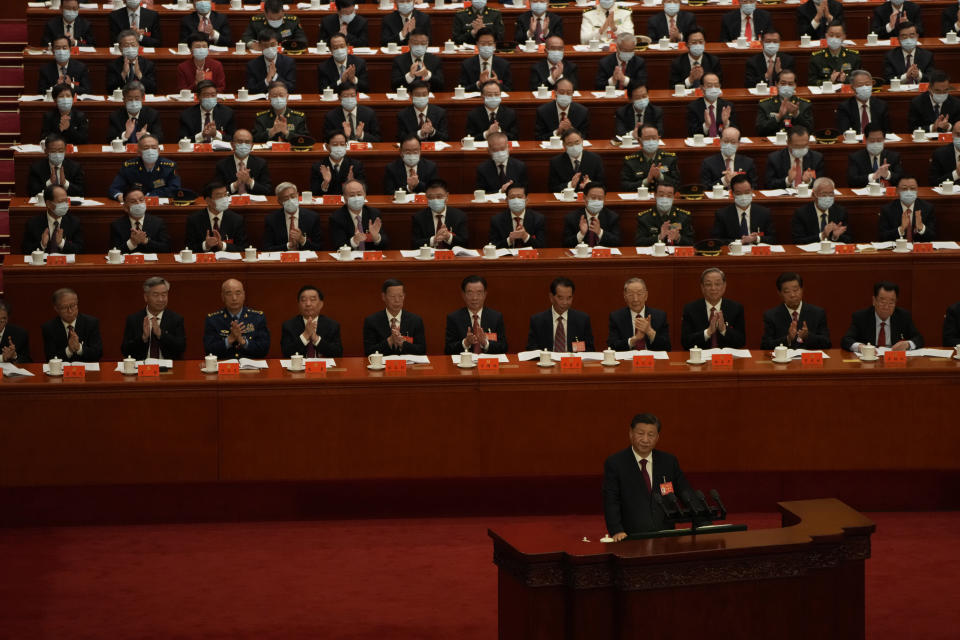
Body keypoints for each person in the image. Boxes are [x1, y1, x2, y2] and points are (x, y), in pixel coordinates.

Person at [603, 413, 695, 539]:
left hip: (666, 537)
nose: (645, 440)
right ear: (631, 433)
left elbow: (686, 493)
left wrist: (704, 522)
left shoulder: (668, 462)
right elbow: (611, 501)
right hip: (632, 538)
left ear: (657, 437)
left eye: (651, 435)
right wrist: (616, 530)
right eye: (640, 433)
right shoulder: (616, 463)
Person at [841, 281, 923, 352]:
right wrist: (861, 347)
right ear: (874, 301)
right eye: (882, 301)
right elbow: (846, 340)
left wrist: (907, 344)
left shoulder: (903, 316)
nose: (886, 307)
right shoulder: (861, 317)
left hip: (894, 363)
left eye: (891, 302)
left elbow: (919, 339)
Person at [120, 277, 187, 360]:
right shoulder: (134, 319)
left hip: (168, 369)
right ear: (146, 297)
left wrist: (160, 334)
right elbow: (125, 351)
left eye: (164, 295)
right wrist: (143, 338)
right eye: (156, 295)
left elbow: (181, 349)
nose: (161, 299)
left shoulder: (176, 319)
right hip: (141, 368)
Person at [760, 272, 831, 350]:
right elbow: (765, 346)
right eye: (787, 291)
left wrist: (808, 336)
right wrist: (788, 339)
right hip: (783, 361)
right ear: (779, 294)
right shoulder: (771, 316)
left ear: (802, 290)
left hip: (809, 360)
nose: (792, 295)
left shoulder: (817, 313)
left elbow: (827, 343)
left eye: (795, 290)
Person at [203, 279, 270, 360]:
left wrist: (243, 342)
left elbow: (264, 350)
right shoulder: (213, 319)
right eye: (229, 293)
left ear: (244, 295)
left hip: (252, 368)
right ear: (222, 297)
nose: (234, 298)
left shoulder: (258, 317)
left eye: (238, 293)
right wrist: (229, 340)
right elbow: (209, 351)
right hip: (223, 369)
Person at [680, 268, 746, 349]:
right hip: (700, 359)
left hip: (726, 359)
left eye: (717, 284)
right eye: (708, 284)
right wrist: (708, 332)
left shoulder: (736, 308)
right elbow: (685, 342)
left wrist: (723, 329)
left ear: (724, 286)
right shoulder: (690, 309)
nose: (713, 288)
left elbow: (741, 341)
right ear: (702, 287)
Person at [444, 275, 508, 355]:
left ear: (485, 295)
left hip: (488, 365)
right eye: (470, 293)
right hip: (464, 365)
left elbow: (503, 347)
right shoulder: (454, 318)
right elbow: (448, 350)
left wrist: (485, 343)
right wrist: (466, 343)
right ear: (463, 295)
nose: (474, 298)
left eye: (479, 293)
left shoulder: (496, 317)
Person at [526, 277, 594, 351]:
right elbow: (531, 349)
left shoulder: (582, 320)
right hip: (548, 361)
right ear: (551, 297)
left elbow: (589, 349)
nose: (565, 302)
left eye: (569, 298)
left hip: (572, 361)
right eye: (560, 298)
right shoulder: (538, 321)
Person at [362, 279, 427, 356]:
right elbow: (368, 352)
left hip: (408, 366)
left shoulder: (415, 320)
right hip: (382, 367)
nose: (397, 300)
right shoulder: (371, 321)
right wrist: (389, 341)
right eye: (392, 296)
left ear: (404, 297)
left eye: (400, 296)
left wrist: (403, 344)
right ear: (383, 297)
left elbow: (422, 350)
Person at [108, 135, 180, 200]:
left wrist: (150, 196)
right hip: (135, 204)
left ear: (158, 151)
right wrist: (119, 196)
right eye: (146, 148)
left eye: (154, 148)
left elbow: (174, 189)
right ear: (139, 152)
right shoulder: (129, 167)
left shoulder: (169, 167)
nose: (150, 151)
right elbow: (114, 189)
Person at [607, 278, 671, 351]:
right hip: (627, 361)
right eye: (630, 295)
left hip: (652, 360)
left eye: (639, 294)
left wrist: (649, 331)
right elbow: (612, 346)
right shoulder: (616, 317)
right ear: (625, 297)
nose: (635, 299)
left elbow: (667, 347)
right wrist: (634, 340)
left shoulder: (660, 316)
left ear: (646, 295)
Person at [711, 174, 776, 245]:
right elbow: (716, 240)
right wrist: (739, 242)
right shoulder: (722, 214)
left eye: (747, 192)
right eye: (738, 193)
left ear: (752, 191)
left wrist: (756, 238)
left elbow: (773, 239)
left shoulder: (764, 212)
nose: (743, 196)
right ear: (732, 194)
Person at [280, 285, 343, 358]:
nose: (308, 304)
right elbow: (286, 353)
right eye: (303, 300)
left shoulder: (332, 325)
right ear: (298, 304)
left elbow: (338, 353)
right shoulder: (289, 326)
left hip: (325, 368)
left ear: (321, 304)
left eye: (312, 300)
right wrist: (305, 335)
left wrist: (316, 339)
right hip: (298, 368)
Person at [42, 287, 103, 362]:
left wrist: (79, 348)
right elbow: (50, 358)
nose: (70, 311)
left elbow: (97, 354)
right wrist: (69, 350)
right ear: (56, 309)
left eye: (73, 305)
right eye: (64, 307)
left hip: (87, 372)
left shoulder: (91, 323)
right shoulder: (49, 328)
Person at [185, 181, 248, 253]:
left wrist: (223, 246)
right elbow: (189, 249)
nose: (224, 199)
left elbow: (243, 249)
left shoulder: (236, 219)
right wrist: (205, 245)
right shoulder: (194, 220)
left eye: (225, 195)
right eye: (219, 196)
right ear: (208, 200)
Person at [21, 185, 83, 254]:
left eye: (66, 201)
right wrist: (42, 245)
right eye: (61, 202)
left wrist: (62, 243)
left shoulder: (74, 222)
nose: (65, 205)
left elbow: (80, 250)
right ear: (49, 204)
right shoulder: (33, 223)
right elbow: (25, 251)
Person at [329, 179, 388, 251]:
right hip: (349, 260)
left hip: (370, 259)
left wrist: (376, 237)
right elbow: (338, 246)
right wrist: (354, 241)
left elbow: (385, 245)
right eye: (352, 195)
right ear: (344, 198)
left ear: (365, 195)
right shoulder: (336, 217)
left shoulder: (374, 213)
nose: (356, 198)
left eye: (359, 194)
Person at [262, 182, 324, 251]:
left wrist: (303, 240)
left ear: (297, 195)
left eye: (292, 196)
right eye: (286, 198)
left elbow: (319, 248)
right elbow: (267, 248)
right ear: (279, 201)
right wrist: (287, 246)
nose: (290, 200)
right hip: (283, 260)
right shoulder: (271, 219)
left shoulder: (312, 217)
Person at [791, 177, 851, 244]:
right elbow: (798, 241)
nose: (828, 198)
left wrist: (835, 237)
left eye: (831, 194)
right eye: (824, 194)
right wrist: (822, 235)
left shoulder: (840, 212)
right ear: (813, 195)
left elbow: (848, 239)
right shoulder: (802, 213)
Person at [754, 69, 814, 137]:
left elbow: (810, 130)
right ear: (776, 84)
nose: (786, 86)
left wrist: (796, 115)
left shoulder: (805, 104)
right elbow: (760, 131)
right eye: (783, 83)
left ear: (795, 85)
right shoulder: (765, 104)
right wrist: (778, 117)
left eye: (790, 84)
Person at [411, 179, 468, 248]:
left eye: (439, 196)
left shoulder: (459, 216)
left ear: (447, 196)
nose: (435, 200)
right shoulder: (419, 217)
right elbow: (415, 244)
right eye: (431, 197)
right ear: (426, 197)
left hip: (451, 257)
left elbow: (465, 243)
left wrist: (448, 237)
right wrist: (434, 240)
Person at [109, 189, 171, 254]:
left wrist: (146, 241)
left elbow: (166, 248)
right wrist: (132, 243)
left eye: (141, 200)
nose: (139, 204)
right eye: (133, 201)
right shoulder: (117, 225)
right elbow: (113, 252)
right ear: (125, 207)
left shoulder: (158, 222)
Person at [621, 124, 680, 190]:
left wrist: (660, 177)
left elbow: (677, 184)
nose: (651, 141)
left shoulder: (670, 159)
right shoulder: (631, 161)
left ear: (658, 139)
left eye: (654, 138)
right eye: (647, 138)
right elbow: (625, 186)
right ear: (639, 141)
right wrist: (646, 181)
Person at [215, 129, 273, 195]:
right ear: (232, 145)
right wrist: (235, 185)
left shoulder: (261, 164)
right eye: (240, 142)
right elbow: (217, 191)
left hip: (253, 203)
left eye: (247, 142)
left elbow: (267, 190)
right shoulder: (222, 165)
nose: (243, 145)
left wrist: (250, 181)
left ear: (252, 146)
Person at [635, 182, 694, 247]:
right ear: (655, 195)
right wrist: (659, 237)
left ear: (674, 197)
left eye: (669, 196)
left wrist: (678, 238)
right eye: (661, 195)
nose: (665, 199)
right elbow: (639, 242)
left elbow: (691, 242)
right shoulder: (644, 218)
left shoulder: (683, 217)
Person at [488, 183, 546, 248]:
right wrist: (509, 240)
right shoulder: (496, 220)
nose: (516, 200)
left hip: (529, 257)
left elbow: (541, 246)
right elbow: (493, 246)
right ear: (506, 200)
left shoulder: (538, 219)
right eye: (512, 197)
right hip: (508, 257)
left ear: (526, 200)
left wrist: (525, 236)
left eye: (520, 197)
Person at [562, 182, 619, 247]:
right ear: (584, 198)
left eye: (600, 198)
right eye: (593, 198)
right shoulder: (571, 217)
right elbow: (566, 244)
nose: (596, 201)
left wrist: (600, 232)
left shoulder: (612, 217)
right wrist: (581, 234)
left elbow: (617, 242)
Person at [878, 176, 935, 242]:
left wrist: (921, 228)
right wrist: (901, 229)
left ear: (917, 190)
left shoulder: (927, 208)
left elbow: (932, 236)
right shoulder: (887, 210)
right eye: (904, 189)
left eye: (912, 188)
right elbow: (882, 237)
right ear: (897, 191)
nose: (909, 192)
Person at [27, 133, 84, 198]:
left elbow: (81, 192)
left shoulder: (75, 167)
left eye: (60, 151)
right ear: (46, 151)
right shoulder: (36, 168)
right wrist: (49, 183)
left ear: (65, 151)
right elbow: (33, 192)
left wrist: (65, 183)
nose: (57, 154)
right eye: (53, 151)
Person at [847, 123, 903, 188]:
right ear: (865, 139)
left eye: (879, 140)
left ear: (884, 139)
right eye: (872, 140)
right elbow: (851, 181)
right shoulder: (855, 157)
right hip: (865, 196)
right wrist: (872, 177)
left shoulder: (893, 157)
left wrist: (888, 175)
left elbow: (901, 179)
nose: (876, 143)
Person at [310, 132, 364, 197]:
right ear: (327, 147)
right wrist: (325, 183)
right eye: (335, 145)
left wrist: (351, 183)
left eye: (342, 144)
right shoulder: (318, 166)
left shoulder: (356, 165)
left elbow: (364, 189)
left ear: (346, 146)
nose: (339, 147)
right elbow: (314, 193)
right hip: (328, 205)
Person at [837, 69, 891, 134]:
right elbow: (844, 132)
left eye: (868, 84)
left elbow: (886, 132)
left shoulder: (881, 105)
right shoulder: (845, 107)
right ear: (852, 87)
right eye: (860, 85)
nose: (865, 87)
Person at [808, 22, 861, 86]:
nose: (834, 38)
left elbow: (859, 80)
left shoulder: (854, 56)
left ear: (844, 37)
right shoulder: (816, 58)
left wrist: (845, 79)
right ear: (826, 36)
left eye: (838, 36)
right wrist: (829, 81)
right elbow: (811, 82)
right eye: (831, 35)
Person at [245, 29, 297, 93]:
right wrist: (267, 80)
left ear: (277, 44)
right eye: (266, 46)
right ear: (260, 46)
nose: (269, 48)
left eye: (272, 44)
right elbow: (251, 90)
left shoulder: (288, 62)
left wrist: (275, 76)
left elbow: (291, 88)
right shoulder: (252, 65)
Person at [106, 29, 157, 94]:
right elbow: (110, 90)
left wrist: (139, 74)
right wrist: (123, 74)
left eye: (133, 45)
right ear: (120, 48)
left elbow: (152, 90)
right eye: (126, 45)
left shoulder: (148, 64)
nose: (130, 48)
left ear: (138, 46)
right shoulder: (113, 65)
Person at [241, 0, 306, 50]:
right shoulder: (256, 21)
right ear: (265, 14)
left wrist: (290, 46)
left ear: (283, 12)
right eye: (271, 18)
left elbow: (302, 39)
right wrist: (252, 45)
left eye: (279, 18)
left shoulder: (292, 21)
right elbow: (245, 38)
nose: (275, 20)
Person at [686, 73, 735, 137]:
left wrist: (726, 123)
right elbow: (691, 133)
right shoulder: (693, 107)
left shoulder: (728, 106)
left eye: (716, 85)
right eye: (709, 86)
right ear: (701, 88)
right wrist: (706, 126)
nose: (713, 89)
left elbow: (737, 132)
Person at [929, 121, 960, 186]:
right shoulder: (940, 154)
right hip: (949, 195)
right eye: (958, 135)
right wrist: (956, 174)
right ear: (952, 134)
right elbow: (934, 183)